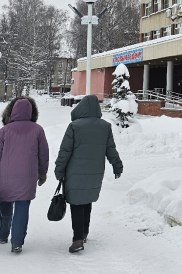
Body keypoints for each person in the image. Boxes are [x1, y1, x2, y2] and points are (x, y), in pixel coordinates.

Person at [54, 95, 123, 254]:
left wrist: (59, 170)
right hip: (95, 172)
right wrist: (117, 166)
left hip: (75, 172)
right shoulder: (105, 126)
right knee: (86, 200)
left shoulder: (74, 126)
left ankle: (77, 239)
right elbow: (110, 149)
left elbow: (65, 151)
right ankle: (84, 232)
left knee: (77, 203)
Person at [0, 97, 49, 254]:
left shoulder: (5, 131)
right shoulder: (37, 130)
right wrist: (42, 173)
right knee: (22, 209)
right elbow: (43, 155)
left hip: (6, 179)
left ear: (12, 112)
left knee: (5, 208)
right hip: (28, 178)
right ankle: (17, 242)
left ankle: (2, 235)